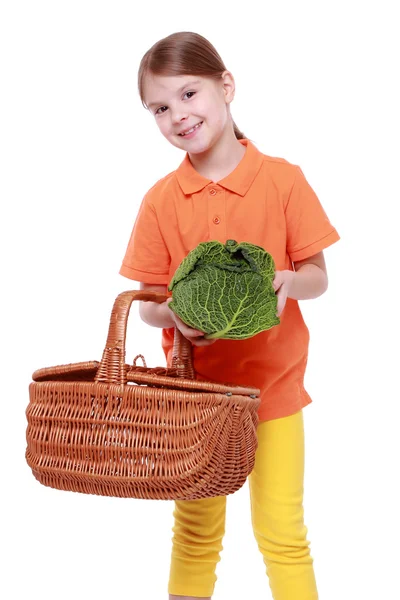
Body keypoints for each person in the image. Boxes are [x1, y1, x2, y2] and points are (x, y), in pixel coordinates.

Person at [119, 31, 339, 600]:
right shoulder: (160, 201)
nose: (178, 116)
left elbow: (318, 275)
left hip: (276, 393)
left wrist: (292, 282)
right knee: (194, 533)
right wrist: (170, 314)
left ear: (226, 86)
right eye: (160, 108)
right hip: (197, 398)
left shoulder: (283, 180)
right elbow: (147, 304)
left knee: (282, 532)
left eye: (188, 94)